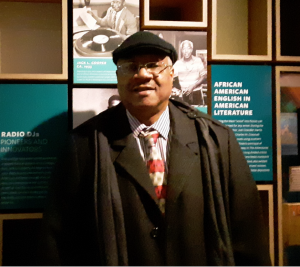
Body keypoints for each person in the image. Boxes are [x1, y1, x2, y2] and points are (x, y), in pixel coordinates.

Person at [38, 31, 271, 266]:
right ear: (118, 78)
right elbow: (60, 243)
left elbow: (248, 237)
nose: (142, 74)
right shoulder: (83, 146)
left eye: (153, 65)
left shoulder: (218, 141)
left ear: (172, 74)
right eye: (130, 66)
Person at [172, 40, 207, 105]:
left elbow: (203, 76)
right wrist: (175, 90)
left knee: (198, 113)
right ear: (181, 50)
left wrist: (193, 86)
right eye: (184, 49)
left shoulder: (198, 60)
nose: (186, 51)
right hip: (183, 95)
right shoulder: (177, 63)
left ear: (191, 50)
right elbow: (171, 77)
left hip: (197, 93)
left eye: (188, 48)